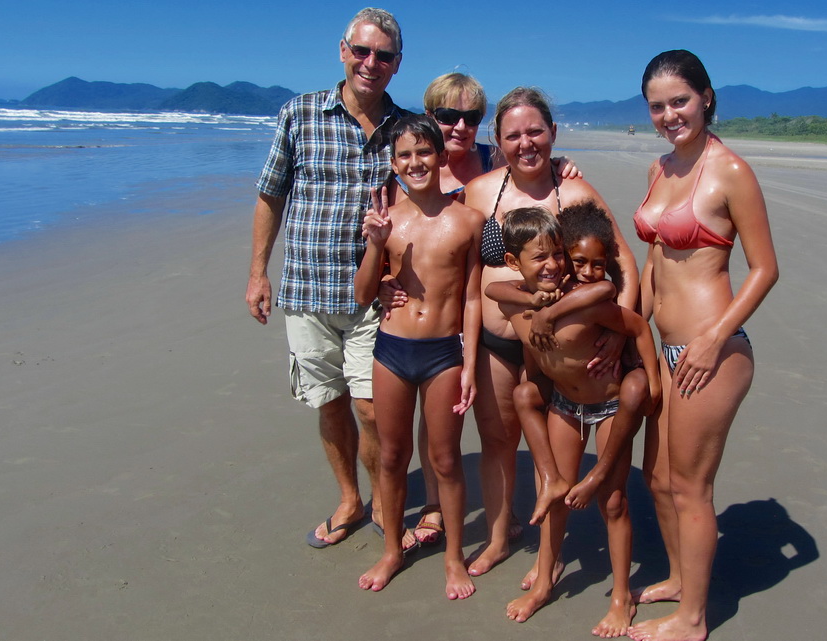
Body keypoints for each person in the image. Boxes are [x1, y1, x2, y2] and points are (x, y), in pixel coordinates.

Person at [245, 7, 416, 552]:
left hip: (376, 296)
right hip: (307, 290)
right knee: (329, 401)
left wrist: (557, 169)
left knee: (371, 407)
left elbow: (453, 172)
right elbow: (271, 194)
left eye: (383, 56)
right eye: (362, 51)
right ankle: (350, 498)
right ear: (343, 51)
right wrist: (257, 274)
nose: (371, 63)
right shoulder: (299, 115)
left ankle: (384, 497)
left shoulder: (406, 129)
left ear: (397, 64)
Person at [384, 72, 580, 546]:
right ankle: (436, 508)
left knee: (469, 433)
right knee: (434, 432)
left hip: (504, 333)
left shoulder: (494, 164)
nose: (458, 126)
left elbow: (530, 152)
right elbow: (389, 247)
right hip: (431, 331)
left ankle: (521, 531)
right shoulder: (411, 175)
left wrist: (561, 164)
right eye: (447, 116)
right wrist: (382, 287)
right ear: (430, 120)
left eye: (470, 117)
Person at [458, 87, 641, 579]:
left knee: (555, 446)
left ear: (553, 134)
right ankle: (499, 538)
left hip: (561, 350)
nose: (526, 142)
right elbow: (459, 259)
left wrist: (620, 330)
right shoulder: (481, 191)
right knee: (498, 440)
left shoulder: (574, 190)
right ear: (498, 141)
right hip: (498, 342)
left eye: (536, 130)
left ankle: (550, 555)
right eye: (513, 134)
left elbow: (623, 261)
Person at [629, 50, 778, 641]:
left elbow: (764, 269)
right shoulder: (658, 169)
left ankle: (692, 619)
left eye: (680, 101)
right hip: (662, 349)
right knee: (658, 478)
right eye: (658, 105)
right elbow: (654, 260)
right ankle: (678, 578)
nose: (669, 115)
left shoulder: (730, 172)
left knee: (691, 486)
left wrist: (714, 339)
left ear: (707, 97)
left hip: (710, 352)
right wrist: (631, 330)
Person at [494, 206, 660, 635]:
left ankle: (622, 596)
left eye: (556, 256)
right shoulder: (526, 296)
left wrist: (653, 381)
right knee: (555, 498)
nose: (555, 266)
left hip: (607, 406)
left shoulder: (587, 302)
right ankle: (545, 580)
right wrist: (537, 304)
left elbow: (636, 323)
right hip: (565, 407)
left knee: (614, 501)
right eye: (545, 257)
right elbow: (497, 290)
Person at [354, 114, 483, 599]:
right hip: (391, 350)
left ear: (440, 155)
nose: (415, 163)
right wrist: (374, 245)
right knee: (391, 455)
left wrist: (470, 362)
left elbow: (472, 297)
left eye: (424, 152)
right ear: (393, 163)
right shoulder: (387, 219)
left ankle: (453, 557)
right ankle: (392, 549)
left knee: (445, 458)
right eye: (404, 155)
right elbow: (364, 293)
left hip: (444, 354)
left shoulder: (468, 220)